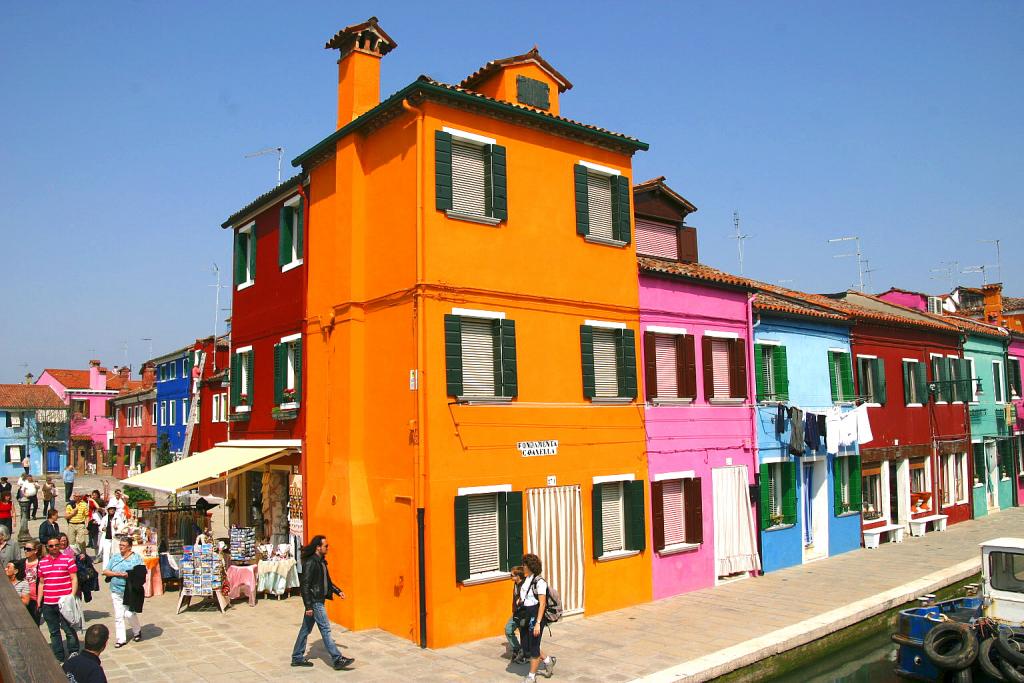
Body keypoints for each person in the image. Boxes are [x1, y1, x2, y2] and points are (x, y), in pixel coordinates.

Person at [291, 535, 354, 670]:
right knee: (325, 629)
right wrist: (308, 606)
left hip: (317, 600)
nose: (327, 548)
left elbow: (327, 582)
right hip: (315, 602)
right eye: (325, 546)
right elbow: (305, 585)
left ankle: (297, 657)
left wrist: (338, 591)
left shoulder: (321, 562)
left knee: (305, 630)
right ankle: (337, 659)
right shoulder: (311, 563)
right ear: (318, 547)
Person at [38, 533, 80, 662]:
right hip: (48, 603)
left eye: (57, 545)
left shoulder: (68, 559)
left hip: (64, 601)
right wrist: (39, 601)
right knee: (54, 632)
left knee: (68, 629)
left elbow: (74, 578)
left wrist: (72, 596)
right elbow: (41, 583)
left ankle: (73, 652)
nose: (54, 548)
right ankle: (59, 656)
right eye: (51, 546)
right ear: (47, 547)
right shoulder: (43, 562)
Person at [519, 553, 556, 682]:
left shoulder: (540, 582)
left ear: (530, 566)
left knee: (534, 645)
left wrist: (537, 623)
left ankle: (531, 676)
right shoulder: (526, 579)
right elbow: (525, 595)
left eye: (524, 565)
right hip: (526, 614)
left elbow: (542, 604)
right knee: (527, 646)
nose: (522, 567)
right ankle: (547, 660)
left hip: (536, 616)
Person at [102, 537, 143, 647]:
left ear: (129, 546)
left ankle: (137, 630)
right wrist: (117, 574)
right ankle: (120, 639)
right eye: (120, 545)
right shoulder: (115, 557)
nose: (121, 547)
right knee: (118, 615)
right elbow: (105, 571)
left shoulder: (136, 558)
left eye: (123, 545)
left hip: (130, 591)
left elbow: (141, 573)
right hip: (116, 590)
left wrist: (128, 575)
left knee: (129, 613)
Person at [504, 566, 526, 663]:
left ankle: (524, 654)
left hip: (523, 614)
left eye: (512, 575)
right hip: (516, 613)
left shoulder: (525, 586)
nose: (510, 577)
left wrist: (520, 602)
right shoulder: (516, 584)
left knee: (524, 634)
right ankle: (517, 649)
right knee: (508, 629)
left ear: (518, 576)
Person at [23, 540, 42, 624]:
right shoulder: (21, 563)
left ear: (36, 550)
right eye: (25, 548)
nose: (26, 551)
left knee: (35, 623)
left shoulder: (41, 563)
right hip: (23, 598)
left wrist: (39, 600)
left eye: (29, 549)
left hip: (36, 598)